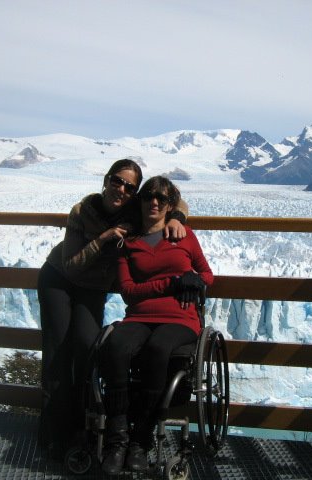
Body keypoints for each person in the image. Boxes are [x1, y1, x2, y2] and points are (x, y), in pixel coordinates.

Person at [37, 159, 188, 459]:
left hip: (92, 288)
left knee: (87, 347)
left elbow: (176, 197)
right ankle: (53, 432)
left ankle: (82, 428)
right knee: (58, 350)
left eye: (130, 187)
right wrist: (104, 238)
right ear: (106, 180)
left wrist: (178, 218)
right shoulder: (82, 211)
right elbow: (72, 265)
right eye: (117, 181)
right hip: (59, 279)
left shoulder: (132, 210)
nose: (121, 189)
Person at [98, 176, 214, 475]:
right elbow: (128, 290)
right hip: (139, 316)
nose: (154, 202)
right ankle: (117, 439)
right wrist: (173, 282)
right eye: (149, 196)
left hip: (181, 319)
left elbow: (207, 274)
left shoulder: (183, 235)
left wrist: (196, 282)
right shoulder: (129, 243)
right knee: (116, 346)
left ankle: (140, 439)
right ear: (141, 200)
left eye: (161, 199)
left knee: (159, 348)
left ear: (169, 205)